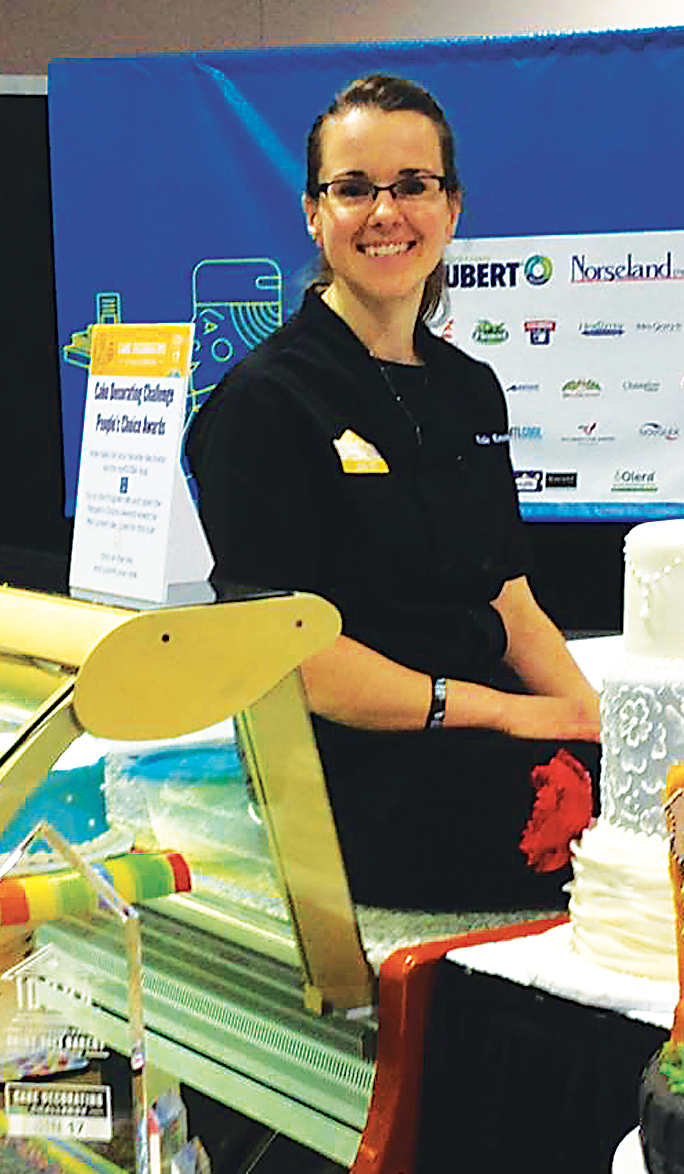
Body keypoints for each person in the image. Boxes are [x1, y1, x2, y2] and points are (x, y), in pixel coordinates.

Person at [186, 72, 600, 909]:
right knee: (610, 843)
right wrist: (505, 713)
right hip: (358, 776)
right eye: (354, 189)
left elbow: (510, 600)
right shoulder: (265, 403)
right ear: (314, 212)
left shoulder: (469, 389)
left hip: (484, 738)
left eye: (413, 185)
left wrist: (593, 716)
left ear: (452, 208)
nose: (385, 212)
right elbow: (292, 656)